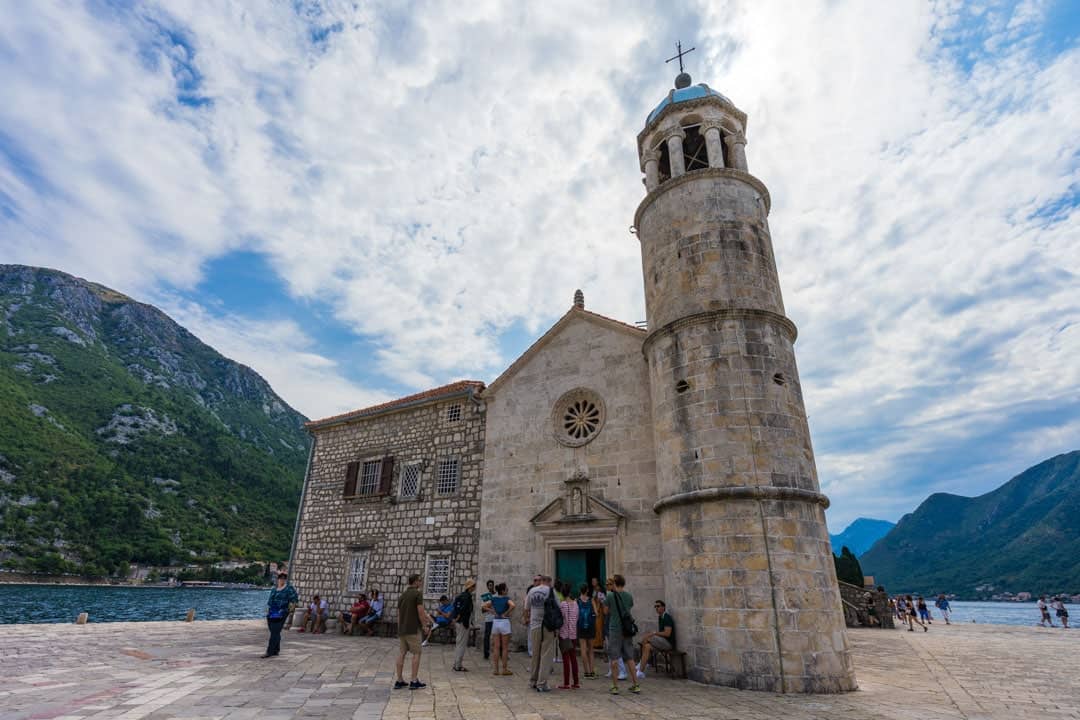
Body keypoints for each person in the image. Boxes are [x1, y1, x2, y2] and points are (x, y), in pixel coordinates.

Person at [394, 573, 434, 690]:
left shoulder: (403, 595)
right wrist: (425, 626)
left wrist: (399, 628)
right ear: (416, 581)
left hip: (402, 629)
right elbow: (420, 612)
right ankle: (413, 680)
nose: (421, 582)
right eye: (420, 580)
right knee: (417, 653)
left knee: (402, 653)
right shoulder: (417, 594)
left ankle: (399, 680)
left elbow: (399, 614)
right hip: (413, 629)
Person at [605, 574, 640, 694]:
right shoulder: (629, 596)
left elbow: (605, 611)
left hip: (615, 629)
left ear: (614, 583)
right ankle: (636, 684)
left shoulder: (610, 596)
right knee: (630, 657)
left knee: (614, 657)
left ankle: (615, 686)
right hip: (627, 629)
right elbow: (629, 608)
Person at [526, 574, 557, 692]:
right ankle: (542, 683)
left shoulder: (532, 591)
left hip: (534, 626)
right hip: (548, 626)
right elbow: (558, 607)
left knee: (535, 654)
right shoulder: (551, 591)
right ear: (549, 581)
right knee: (546, 655)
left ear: (541, 580)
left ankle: (533, 680)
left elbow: (526, 607)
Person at [637, 599, 675, 680]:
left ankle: (642, 662)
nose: (656, 608)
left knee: (648, 637)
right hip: (662, 642)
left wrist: (654, 633)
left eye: (658, 606)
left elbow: (667, 633)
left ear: (663, 607)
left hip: (668, 644)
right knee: (647, 646)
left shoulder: (666, 617)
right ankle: (641, 671)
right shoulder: (660, 617)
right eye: (655, 607)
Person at [262, 571, 297, 658]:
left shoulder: (289, 588)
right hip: (272, 612)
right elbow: (270, 601)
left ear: (285, 579)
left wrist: (290, 610)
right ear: (278, 579)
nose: (282, 579)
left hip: (282, 612)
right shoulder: (274, 589)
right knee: (275, 631)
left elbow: (294, 599)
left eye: (284, 578)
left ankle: (269, 651)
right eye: (280, 578)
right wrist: (267, 611)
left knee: (275, 631)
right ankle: (276, 650)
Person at [483, 582, 515, 676]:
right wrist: (506, 612)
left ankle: (496, 669)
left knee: (496, 647)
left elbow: (484, 606)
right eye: (506, 589)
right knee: (505, 648)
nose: (507, 590)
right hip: (504, 622)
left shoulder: (494, 599)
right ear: (503, 590)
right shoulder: (506, 599)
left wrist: (492, 611)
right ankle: (504, 669)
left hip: (496, 622)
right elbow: (513, 605)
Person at [602, 578, 627, 680]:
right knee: (610, 648)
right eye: (606, 584)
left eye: (609, 584)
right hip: (608, 624)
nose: (607, 586)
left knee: (615, 649)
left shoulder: (612, 596)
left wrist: (604, 604)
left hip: (614, 625)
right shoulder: (610, 596)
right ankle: (611, 669)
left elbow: (606, 611)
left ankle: (622, 671)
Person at [557, 581, 580, 689]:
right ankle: (576, 682)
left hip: (564, 634)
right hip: (573, 634)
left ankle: (566, 683)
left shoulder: (562, 605)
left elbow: (560, 618)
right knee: (573, 658)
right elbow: (577, 617)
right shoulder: (576, 603)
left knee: (566, 659)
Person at [451, 578, 476, 672]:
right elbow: (464, 609)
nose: (474, 588)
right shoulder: (467, 597)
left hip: (459, 622)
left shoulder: (461, 595)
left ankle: (456, 663)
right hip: (463, 622)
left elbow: (455, 607)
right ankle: (458, 665)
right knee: (462, 644)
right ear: (470, 587)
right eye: (474, 586)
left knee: (459, 642)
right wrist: (459, 617)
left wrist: (455, 618)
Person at [577, 583, 597, 678]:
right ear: (587, 590)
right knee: (591, 650)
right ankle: (592, 671)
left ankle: (586, 672)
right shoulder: (591, 600)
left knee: (583, 650)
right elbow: (596, 613)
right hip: (590, 626)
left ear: (580, 590)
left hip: (581, 627)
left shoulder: (577, 601)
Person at [480, 579, 496, 660]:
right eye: (489, 585)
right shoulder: (485, 596)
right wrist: (488, 606)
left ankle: (498, 653)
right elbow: (482, 610)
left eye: (492, 585)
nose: (490, 586)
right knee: (487, 636)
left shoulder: (497, 595)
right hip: (488, 618)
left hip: (497, 618)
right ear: (487, 586)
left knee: (498, 636)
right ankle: (486, 653)